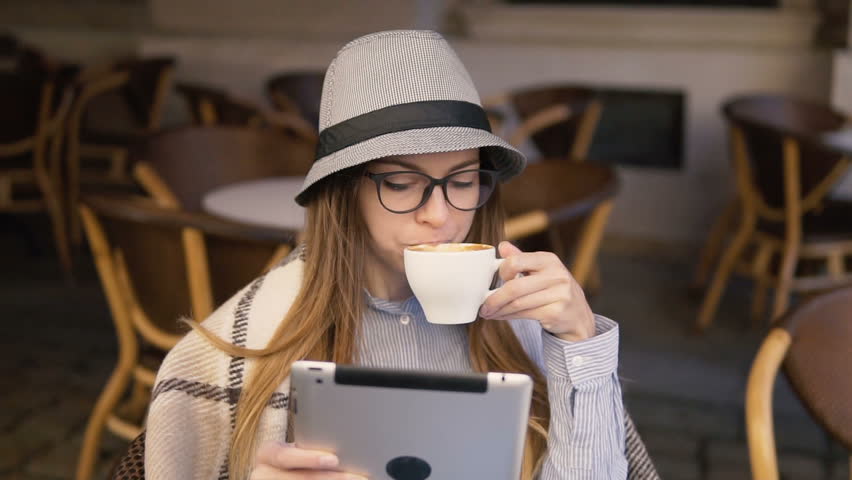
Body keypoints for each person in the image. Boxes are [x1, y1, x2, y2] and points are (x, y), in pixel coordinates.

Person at [145, 30, 659, 480]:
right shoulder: (232, 352)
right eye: (400, 181)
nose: (440, 215)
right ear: (345, 192)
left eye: (462, 180)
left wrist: (580, 348)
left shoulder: (525, 325)